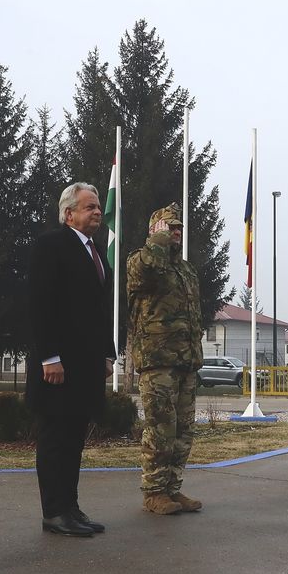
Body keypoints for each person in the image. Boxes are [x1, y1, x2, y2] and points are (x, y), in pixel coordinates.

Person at [26, 183, 116, 536]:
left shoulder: (96, 253)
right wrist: (49, 357)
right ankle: (53, 512)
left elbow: (99, 311)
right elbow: (40, 305)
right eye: (90, 207)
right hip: (57, 366)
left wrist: (108, 353)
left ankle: (71, 507)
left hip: (86, 366)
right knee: (55, 438)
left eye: (97, 207)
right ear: (69, 214)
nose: (97, 212)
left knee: (75, 438)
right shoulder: (51, 246)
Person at [126, 203, 204, 515]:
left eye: (179, 228)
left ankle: (173, 488)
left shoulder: (185, 271)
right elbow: (142, 274)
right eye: (169, 227)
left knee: (183, 431)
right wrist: (155, 245)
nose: (176, 232)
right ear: (154, 231)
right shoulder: (142, 261)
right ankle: (154, 492)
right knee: (160, 429)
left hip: (185, 360)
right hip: (157, 361)